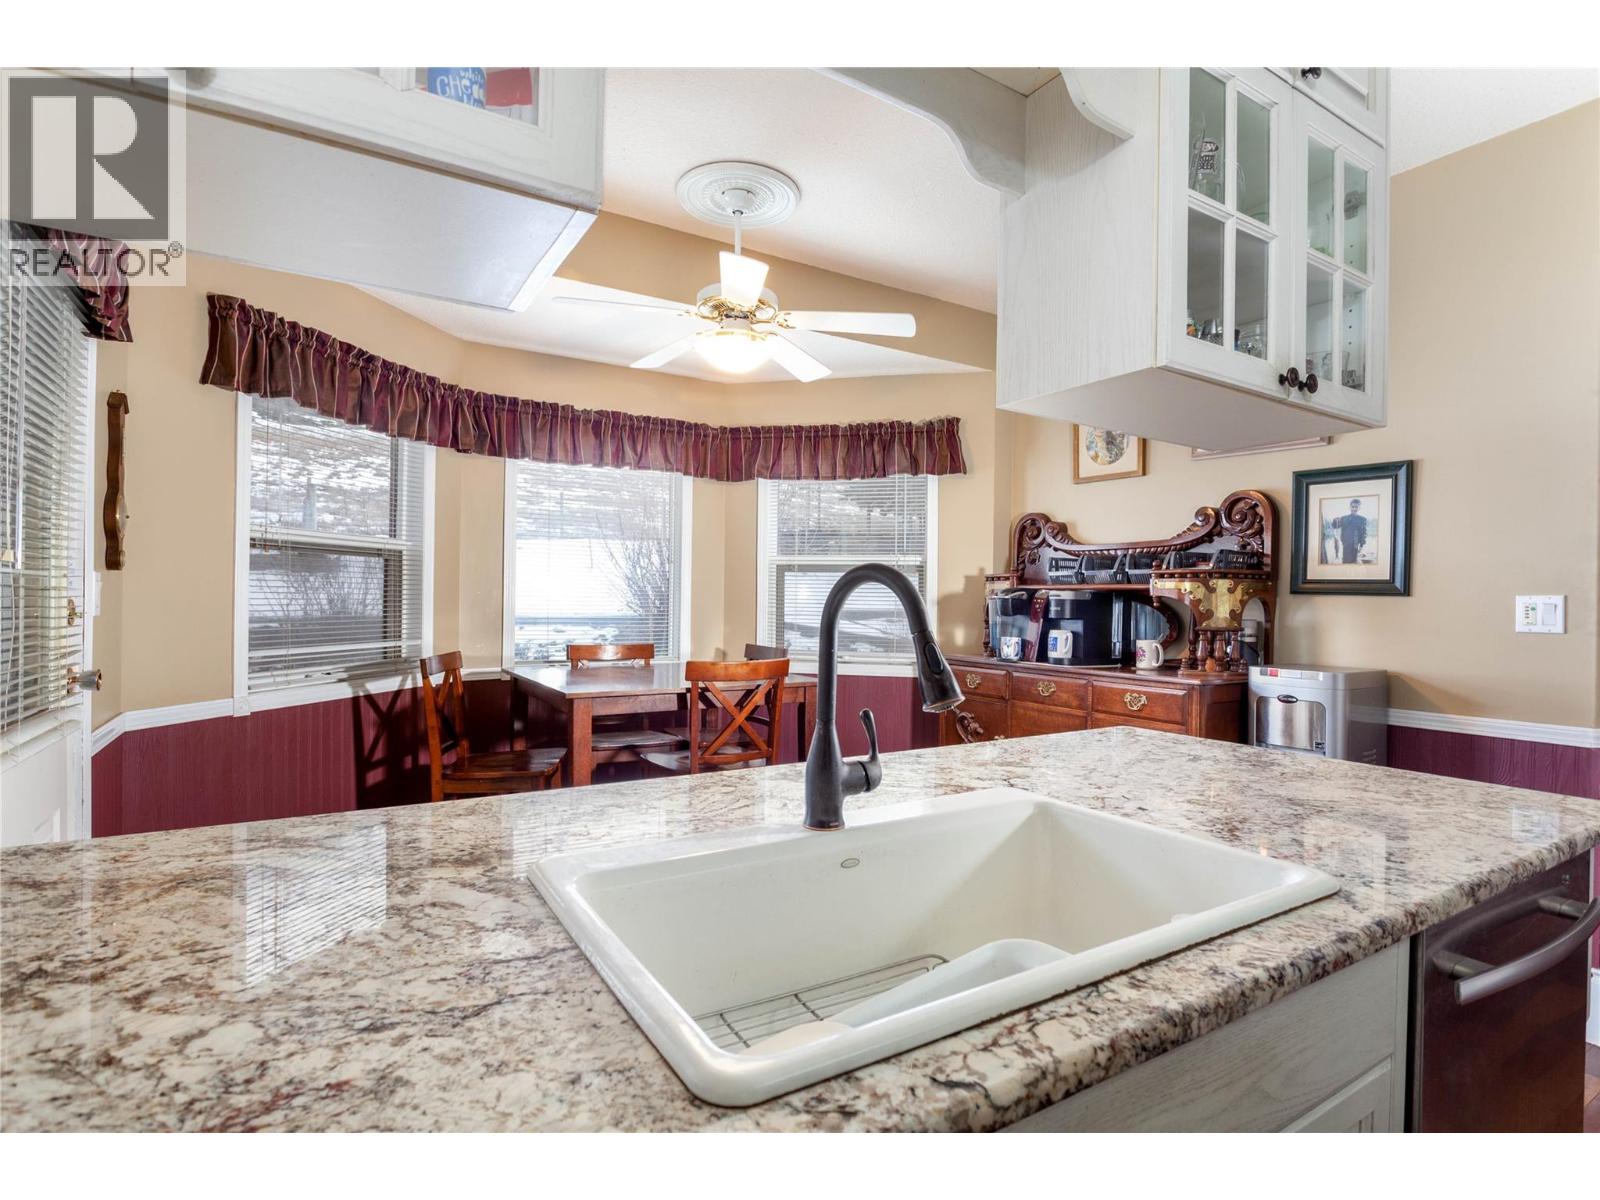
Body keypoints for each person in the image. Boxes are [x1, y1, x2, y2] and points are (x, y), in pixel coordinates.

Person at [1330, 498, 1369, 564]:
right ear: (1350, 507)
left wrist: (1361, 546)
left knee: (1355, 563)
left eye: (1356, 507)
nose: (1354, 509)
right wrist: (1335, 521)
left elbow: (1364, 534)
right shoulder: (1344, 518)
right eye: (1352, 507)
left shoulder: (1362, 519)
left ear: (1359, 508)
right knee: (1346, 563)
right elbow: (1335, 525)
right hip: (1346, 545)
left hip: (1356, 546)